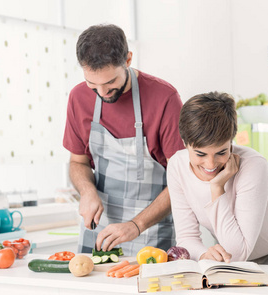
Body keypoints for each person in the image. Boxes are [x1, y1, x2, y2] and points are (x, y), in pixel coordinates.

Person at [63, 24, 184, 256]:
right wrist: (87, 191)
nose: (102, 92)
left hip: (152, 233)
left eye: (110, 83)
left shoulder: (164, 98)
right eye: (92, 84)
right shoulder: (78, 98)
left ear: (128, 59)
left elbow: (183, 180)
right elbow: (78, 162)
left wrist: (136, 225)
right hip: (99, 231)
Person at [167, 91, 268, 265]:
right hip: (233, 248)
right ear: (185, 142)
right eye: (200, 154)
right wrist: (203, 255)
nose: (210, 164)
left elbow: (237, 254)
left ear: (231, 141)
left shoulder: (253, 166)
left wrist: (217, 188)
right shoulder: (177, 166)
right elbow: (186, 238)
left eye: (221, 152)